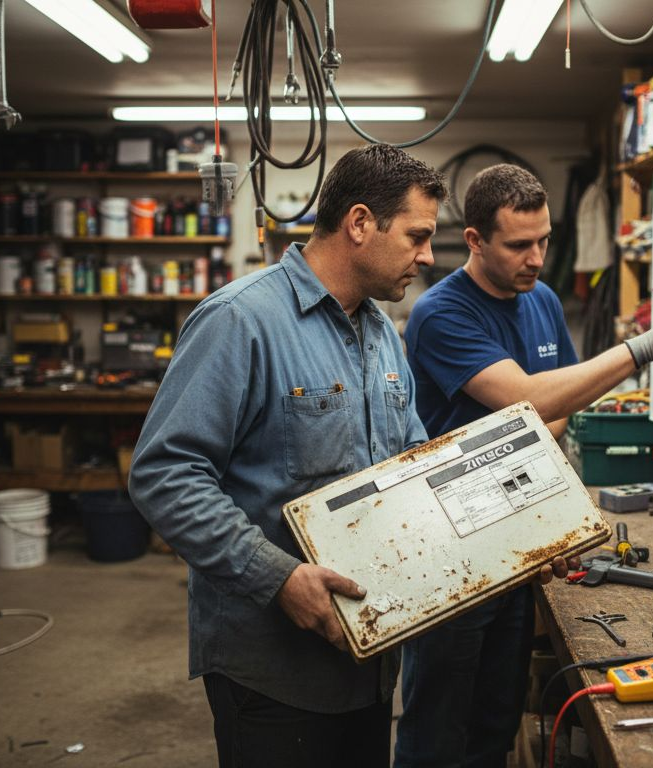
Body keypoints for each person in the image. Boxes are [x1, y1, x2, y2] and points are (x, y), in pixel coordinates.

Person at [127, 144, 447, 768]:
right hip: (272, 670)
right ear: (359, 224)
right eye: (417, 236)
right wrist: (279, 579)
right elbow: (164, 474)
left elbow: (411, 461)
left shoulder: (381, 333)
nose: (428, 256)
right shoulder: (239, 320)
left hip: (368, 654)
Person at [396, 163, 653, 768]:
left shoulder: (538, 300)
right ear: (474, 241)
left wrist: (539, 416)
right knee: (438, 726)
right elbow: (539, 403)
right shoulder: (441, 313)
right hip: (452, 548)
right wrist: (639, 348)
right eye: (518, 245)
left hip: (518, 540)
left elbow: (563, 409)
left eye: (544, 240)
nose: (537, 257)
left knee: (496, 714)